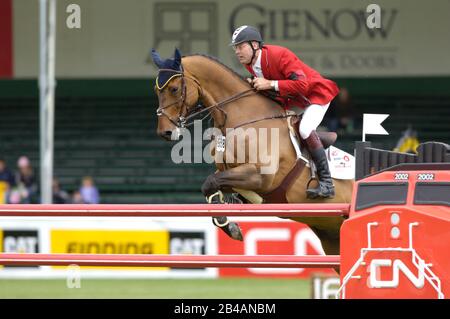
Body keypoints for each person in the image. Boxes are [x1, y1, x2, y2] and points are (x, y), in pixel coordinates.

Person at [230, 25, 339, 199]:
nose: (237, 51)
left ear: (255, 45)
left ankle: (327, 183)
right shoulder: (251, 64)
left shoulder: (279, 54)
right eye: (235, 47)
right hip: (294, 100)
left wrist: (270, 84)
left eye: (240, 46)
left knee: (304, 129)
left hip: (316, 96)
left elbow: (302, 85)